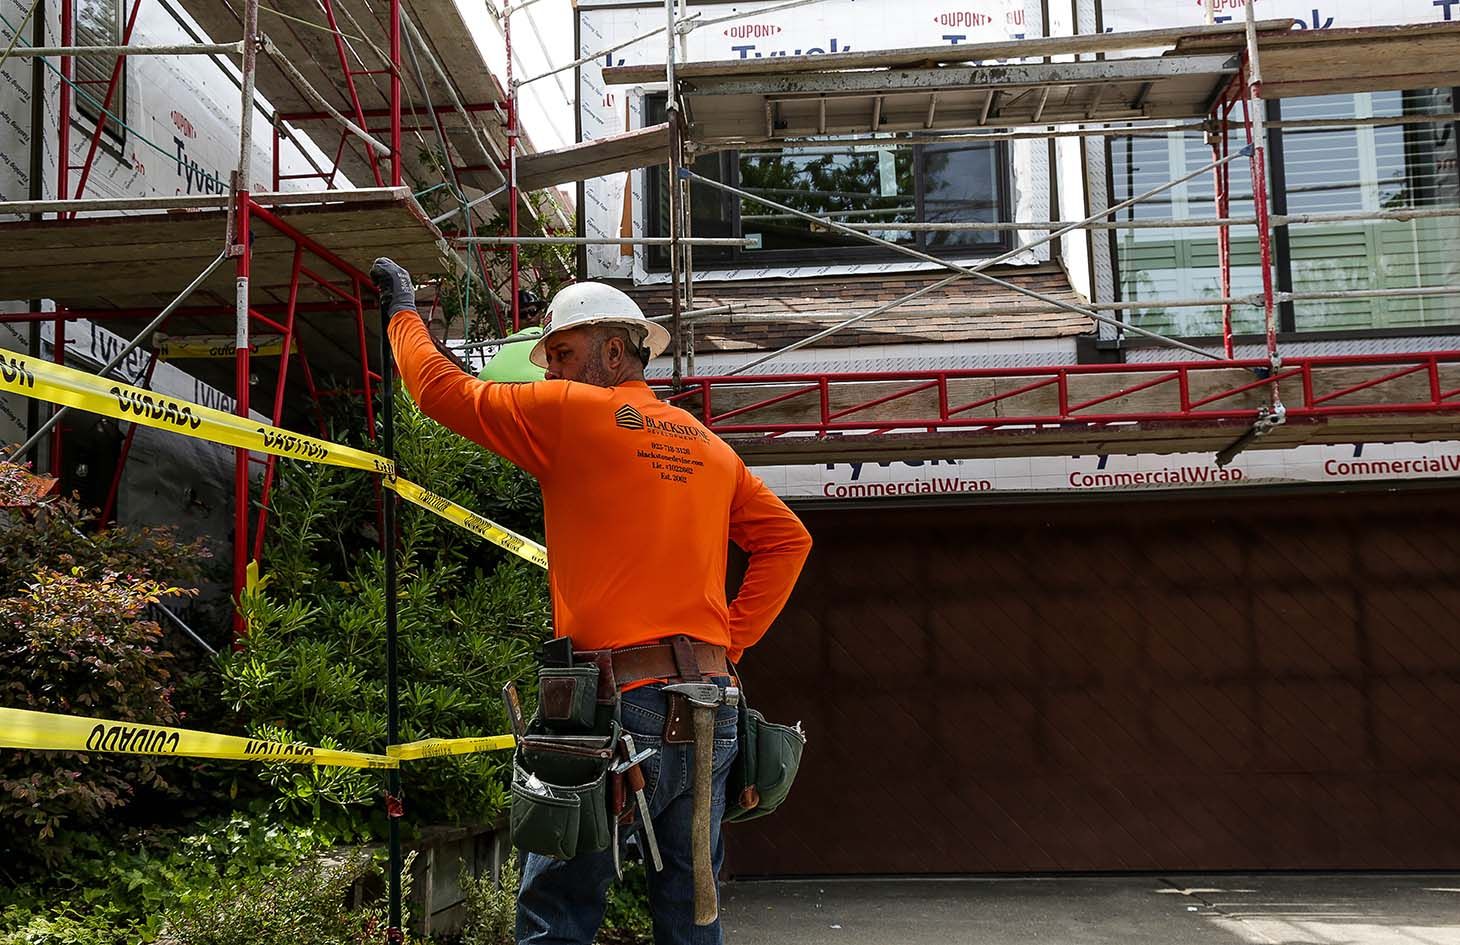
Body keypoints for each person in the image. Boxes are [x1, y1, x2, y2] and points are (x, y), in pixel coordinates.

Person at [371, 258, 812, 945]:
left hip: (617, 704)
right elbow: (788, 539)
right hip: (712, 710)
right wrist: (728, 645)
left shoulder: (571, 413)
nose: (550, 374)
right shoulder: (709, 446)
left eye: (565, 354)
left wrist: (402, 310)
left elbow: (435, 389)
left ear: (614, 350)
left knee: (558, 913)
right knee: (692, 915)